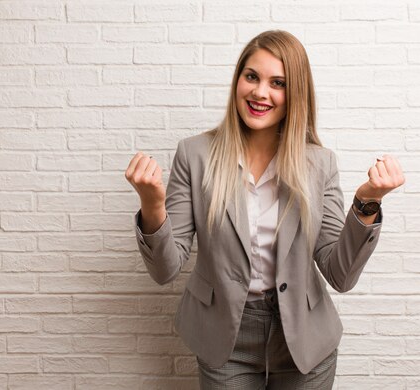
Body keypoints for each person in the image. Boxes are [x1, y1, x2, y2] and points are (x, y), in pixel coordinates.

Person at [125, 30, 405, 390]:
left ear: (296, 95)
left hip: (304, 340)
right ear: (238, 80)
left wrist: (368, 202)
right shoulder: (194, 155)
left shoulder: (319, 164)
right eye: (252, 77)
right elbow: (166, 269)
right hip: (225, 338)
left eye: (278, 83)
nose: (260, 92)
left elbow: (340, 274)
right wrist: (152, 204)